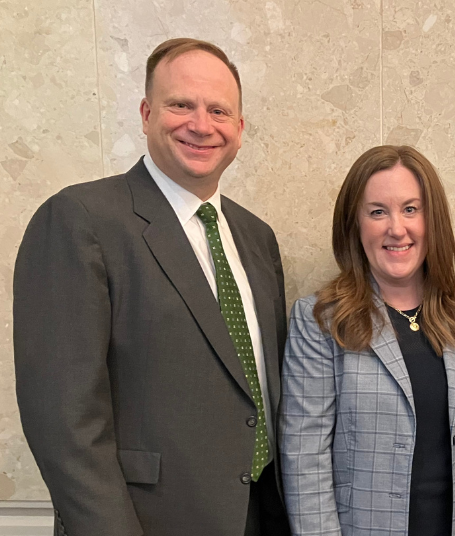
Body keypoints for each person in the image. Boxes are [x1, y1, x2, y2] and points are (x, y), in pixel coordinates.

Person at [13, 38, 290, 536]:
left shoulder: (256, 237)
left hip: (261, 516)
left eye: (219, 110)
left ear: (240, 129)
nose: (201, 124)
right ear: (145, 113)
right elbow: (64, 421)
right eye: (180, 104)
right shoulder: (81, 221)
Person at [280, 145, 455, 536]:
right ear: (355, 224)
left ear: (432, 220)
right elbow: (305, 461)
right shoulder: (319, 320)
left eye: (411, 209)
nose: (396, 228)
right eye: (377, 211)